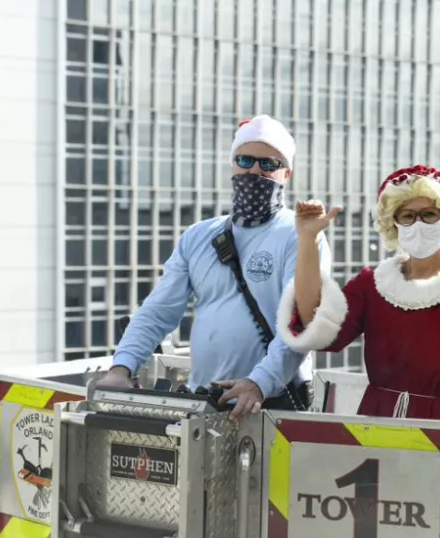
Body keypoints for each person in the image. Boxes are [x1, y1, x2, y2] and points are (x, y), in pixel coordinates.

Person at [276, 164, 440, 443]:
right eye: (407, 216)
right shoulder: (373, 284)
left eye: (429, 214)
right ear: (394, 224)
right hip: (376, 424)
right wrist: (307, 239)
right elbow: (317, 328)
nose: (418, 224)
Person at [103, 115, 332, 421]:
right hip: (204, 404)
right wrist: (122, 368)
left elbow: (302, 322)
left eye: (268, 164)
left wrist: (258, 383)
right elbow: (158, 311)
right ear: (233, 164)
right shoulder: (199, 236)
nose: (254, 171)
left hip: (274, 405)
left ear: (286, 173)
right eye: (245, 160)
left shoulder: (302, 235)